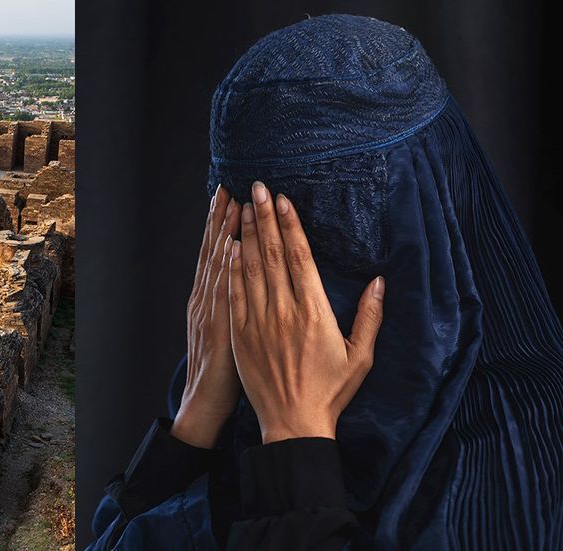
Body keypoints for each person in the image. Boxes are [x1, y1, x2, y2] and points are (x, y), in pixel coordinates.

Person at [89, 14, 562, 550]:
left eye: (336, 236)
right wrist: (194, 425)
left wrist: (295, 446)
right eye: (248, 232)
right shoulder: (225, 406)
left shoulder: (530, 470)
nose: (288, 299)